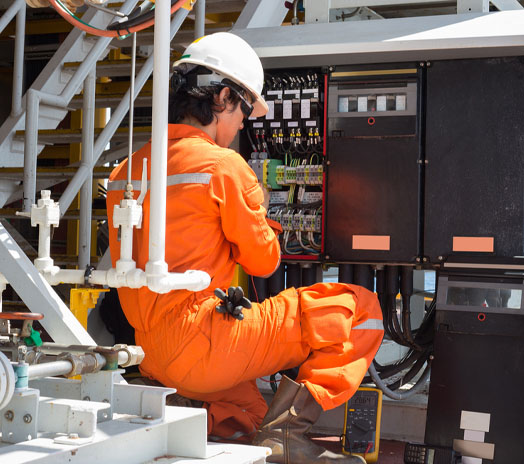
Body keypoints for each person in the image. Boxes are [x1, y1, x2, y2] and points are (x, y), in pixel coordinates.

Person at [107, 32, 384, 464]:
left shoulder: (127, 169)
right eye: (243, 111)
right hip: (204, 344)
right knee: (359, 311)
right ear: (221, 98)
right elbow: (264, 260)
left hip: (153, 356)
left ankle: (194, 411)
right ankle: (291, 431)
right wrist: (265, 221)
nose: (243, 125)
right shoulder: (222, 166)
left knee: (251, 417)